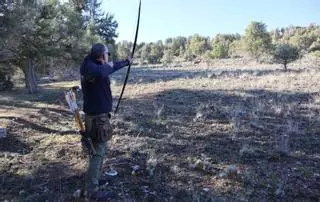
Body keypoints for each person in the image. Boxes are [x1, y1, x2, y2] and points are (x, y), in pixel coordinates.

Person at [80, 43, 132, 200]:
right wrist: (108, 65)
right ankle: (92, 191)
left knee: (97, 151)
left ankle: (93, 181)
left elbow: (110, 67)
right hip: (97, 118)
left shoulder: (94, 63)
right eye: (107, 54)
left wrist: (126, 62)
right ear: (101, 56)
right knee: (98, 153)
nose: (108, 56)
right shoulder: (90, 67)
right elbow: (104, 71)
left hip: (98, 116)